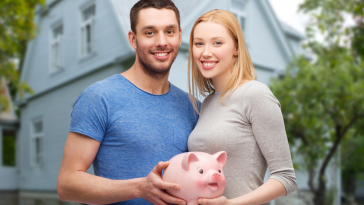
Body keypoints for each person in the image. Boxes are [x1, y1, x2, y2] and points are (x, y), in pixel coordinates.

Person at [57, 1, 198, 205]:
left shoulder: (193, 107)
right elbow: (66, 184)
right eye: (149, 32)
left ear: (179, 36)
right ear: (133, 39)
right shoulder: (99, 97)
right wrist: (139, 189)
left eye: (169, 31)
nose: (161, 41)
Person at [187, 10, 297, 205]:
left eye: (217, 42)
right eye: (199, 43)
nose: (205, 52)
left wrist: (231, 204)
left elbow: (286, 178)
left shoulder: (256, 94)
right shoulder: (206, 103)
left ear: (236, 48)